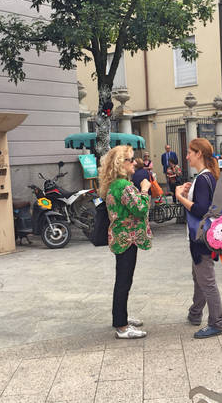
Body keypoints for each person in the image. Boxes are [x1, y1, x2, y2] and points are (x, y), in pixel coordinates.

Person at [99, 145, 152, 339]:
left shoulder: (114, 184)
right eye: (131, 160)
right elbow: (140, 209)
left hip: (120, 237)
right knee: (123, 281)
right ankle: (121, 326)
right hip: (127, 238)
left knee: (122, 279)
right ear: (121, 164)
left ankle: (120, 318)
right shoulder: (124, 186)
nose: (135, 163)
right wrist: (145, 190)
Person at [175, 138, 222, 339]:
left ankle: (216, 323)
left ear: (199, 154)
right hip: (205, 236)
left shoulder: (203, 179)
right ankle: (195, 313)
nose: (187, 156)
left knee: (207, 280)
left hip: (201, 237)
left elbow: (202, 210)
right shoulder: (207, 176)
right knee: (199, 277)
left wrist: (180, 197)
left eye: (189, 152)